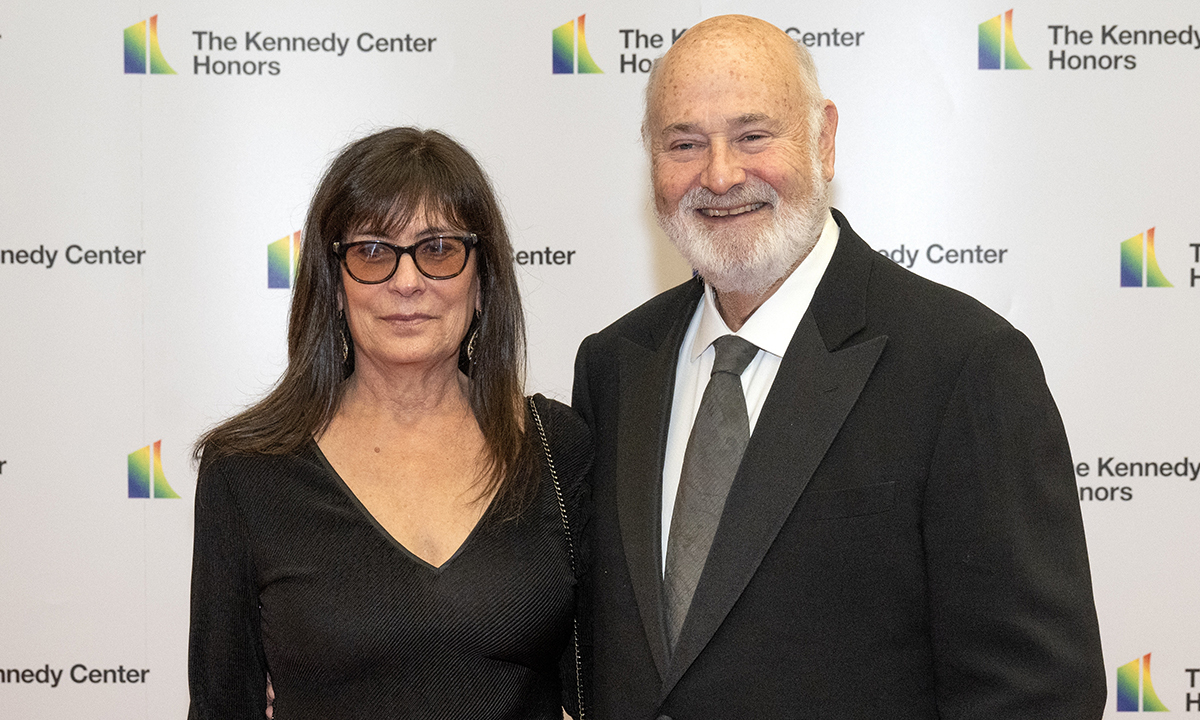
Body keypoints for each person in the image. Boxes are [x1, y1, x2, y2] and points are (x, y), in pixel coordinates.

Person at [572, 15, 1106, 719]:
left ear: (823, 140)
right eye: (685, 144)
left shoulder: (963, 364)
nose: (720, 174)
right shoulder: (614, 366)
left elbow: (1038, 693)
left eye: (753, 135)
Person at [188, 127, 589, 720]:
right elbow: (221, 705)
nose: (407, 282)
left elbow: (608, 681)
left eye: (439, 249)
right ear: (334, 282)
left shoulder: (558, 447)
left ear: (482, 280)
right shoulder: (246, 471)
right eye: (373, 251)